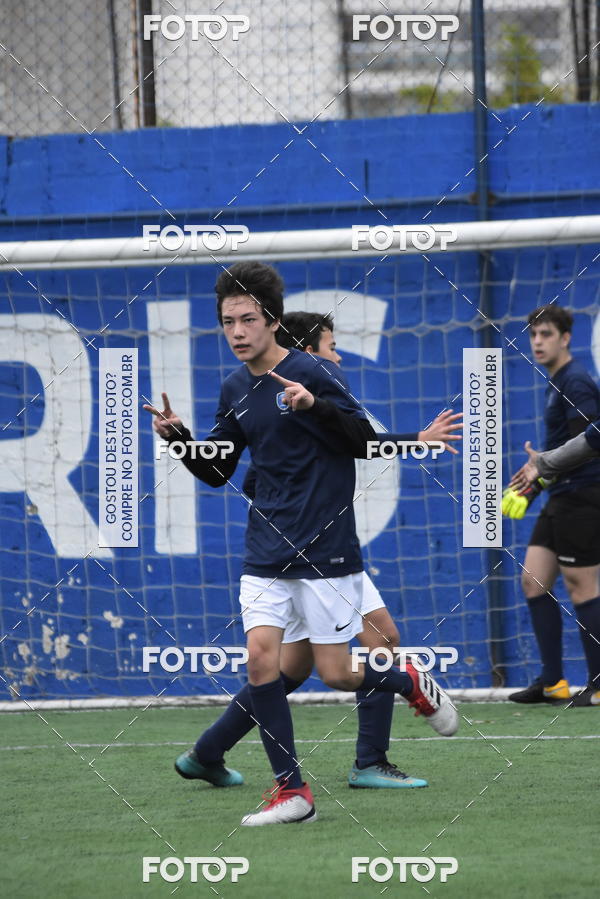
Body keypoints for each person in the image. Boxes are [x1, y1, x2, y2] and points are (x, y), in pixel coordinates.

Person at [145, 261, 458, 826]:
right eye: (227, 322)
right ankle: (293, 792)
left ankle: (404, 680)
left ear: (271, 320)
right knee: (262, 663)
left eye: (247, 320)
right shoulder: (235, 387)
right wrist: (182, 440)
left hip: (324, 546)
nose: (237, 332)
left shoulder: (313, 370)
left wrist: (316, 407)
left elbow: (362, 441)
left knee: (337, 673)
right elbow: (218, 470)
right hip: (264, 547)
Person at [502, 305, 600, 707]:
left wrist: (543, 466)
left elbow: (590, 443)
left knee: (582, 585)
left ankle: (599, 685)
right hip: (562, 494)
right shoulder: (556, 381)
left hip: (583, 497)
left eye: (546, 334)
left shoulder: (575, 380)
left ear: (566, 338)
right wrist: (536, 482)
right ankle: (552, 682)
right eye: (533, 335)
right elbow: (564, 452)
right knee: (533, 579)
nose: (538, 342)